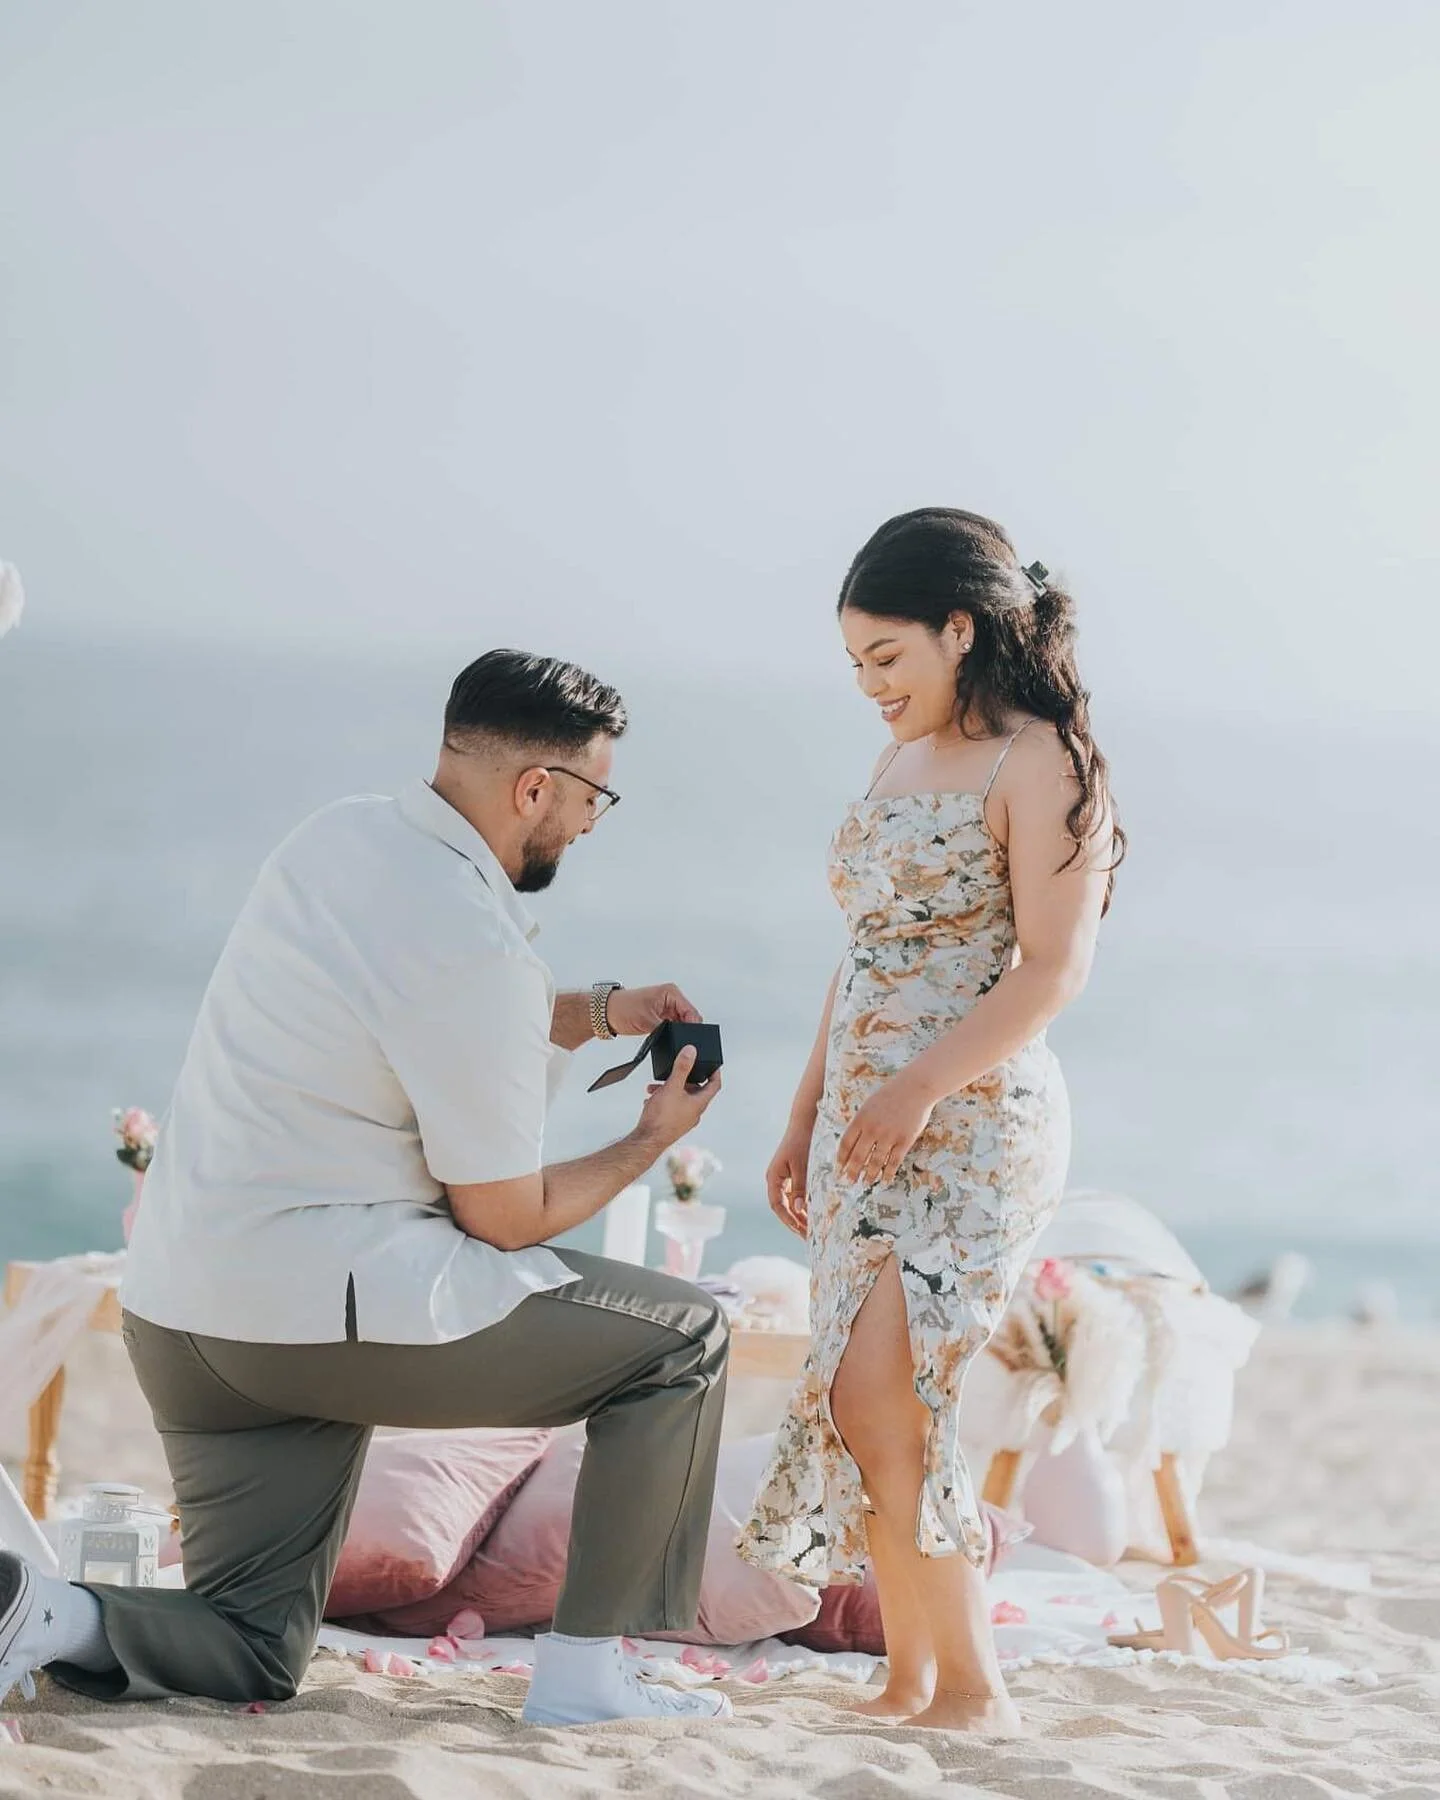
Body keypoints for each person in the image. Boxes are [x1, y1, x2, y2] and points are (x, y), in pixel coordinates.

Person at [1, 649, 730, 1727]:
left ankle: (40, 1616)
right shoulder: (475, 941)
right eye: (592, 797)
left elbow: (421, 1015)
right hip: (316, 1319)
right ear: (536, 786)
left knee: (250, 1648)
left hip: (185, 1321)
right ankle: (585, 1677)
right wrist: (648, 1137)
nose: (588, 824)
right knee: (683, 1342)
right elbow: (504, 1217)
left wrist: (601, 1009)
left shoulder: (335, 839)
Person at [737, 508, 1123, 1734]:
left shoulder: (1043, 759)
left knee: (903, 1390)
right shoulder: (898, 759)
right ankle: (907, 1674)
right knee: (860, 1399)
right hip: (864, 1119)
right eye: (856, 666)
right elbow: (865, 959)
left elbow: (1053, 969)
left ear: (961, 630)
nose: (871, 688)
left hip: (974, 1120)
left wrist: (914, 1088)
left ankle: (970, 1688)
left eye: (888, 659)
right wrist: (806, 1111)